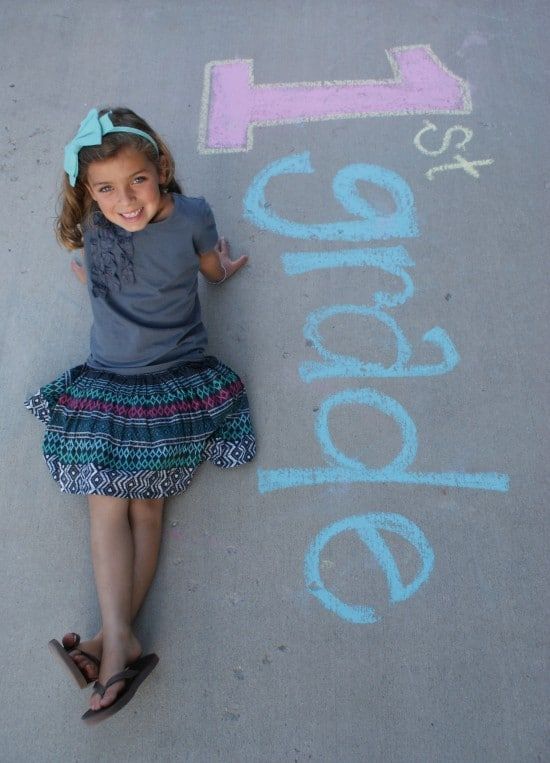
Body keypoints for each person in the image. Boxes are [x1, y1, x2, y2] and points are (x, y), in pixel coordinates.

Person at [25, 106, 256, 723]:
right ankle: (116, 641)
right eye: (107, 188)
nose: (125, 200)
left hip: (108, 391)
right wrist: (223, 265)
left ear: (160, 170)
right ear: (89, 191)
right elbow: (212, 270)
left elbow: (99, 284)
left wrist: (92, 281)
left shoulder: (95, 238)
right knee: (143, 509)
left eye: (137, 182)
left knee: (107, 507)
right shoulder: (195, 215)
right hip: (175, 390)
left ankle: (108, 643)